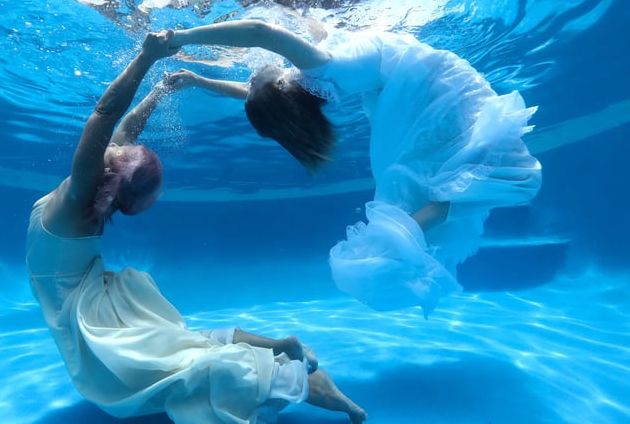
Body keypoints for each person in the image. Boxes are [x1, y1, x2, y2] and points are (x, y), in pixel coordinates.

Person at [25, 33, 367, 423]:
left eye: (120, 147)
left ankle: (289, 380)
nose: (117, 144)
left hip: (81, 304)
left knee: (167, 370)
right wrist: (157, 91)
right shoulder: (98, 184)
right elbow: (123, 130)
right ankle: (279, 346)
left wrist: (146, 58)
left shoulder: (82, 192)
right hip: (89, 286)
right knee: (181, 341)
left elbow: (105, 113)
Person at [159, 20, 542, 317]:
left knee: (439, 174)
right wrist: (181, 37)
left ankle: (402, 235)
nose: (251, 74)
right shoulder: (315, 68)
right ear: (278, 86)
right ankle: (395, 241)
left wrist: (197, 79)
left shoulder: (301, 84)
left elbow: (252, 94)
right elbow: (262, 33)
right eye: (258, 77)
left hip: (416, 91)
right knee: (482, 169)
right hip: (426, 85)